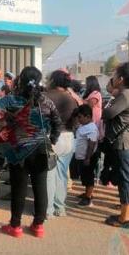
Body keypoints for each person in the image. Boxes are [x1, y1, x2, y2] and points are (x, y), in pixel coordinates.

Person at [0, 67, 61, 238]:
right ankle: (38, 226)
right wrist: (52, 141)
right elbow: (57, 123)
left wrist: (3, 132)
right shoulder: (46, 101)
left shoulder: (11, 100)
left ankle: (15, 226)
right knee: (40, 188)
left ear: (20, 80)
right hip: (41, 150)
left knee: (19, 189)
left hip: (18, 150)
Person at [103, 62, 129, 228]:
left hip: (125, 143)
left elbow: (107, 113)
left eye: (115, 75)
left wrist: (112, 94)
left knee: (125, 179)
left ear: (121, 78)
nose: (113, 78)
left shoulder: (124, 95)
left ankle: (124, 218)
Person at [45, 69, 81, 218]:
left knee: (49, 174)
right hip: (69, 138)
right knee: (62, 174)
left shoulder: (46, 97)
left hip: (52, 138)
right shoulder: (71, 99)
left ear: (53, 80)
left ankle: (48, 210)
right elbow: (77, 120)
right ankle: (60, 208)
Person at [73, 104, 99, 207]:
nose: (78, 119)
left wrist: (88, 158)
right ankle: (87, 192)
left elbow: (91, 144)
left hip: (88, 157)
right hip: (81, 156)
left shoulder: (91, 128)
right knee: (84, 176)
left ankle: (88, 198)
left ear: (88, 116)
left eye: (80, 117)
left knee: (88, 176)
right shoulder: (83, 126)